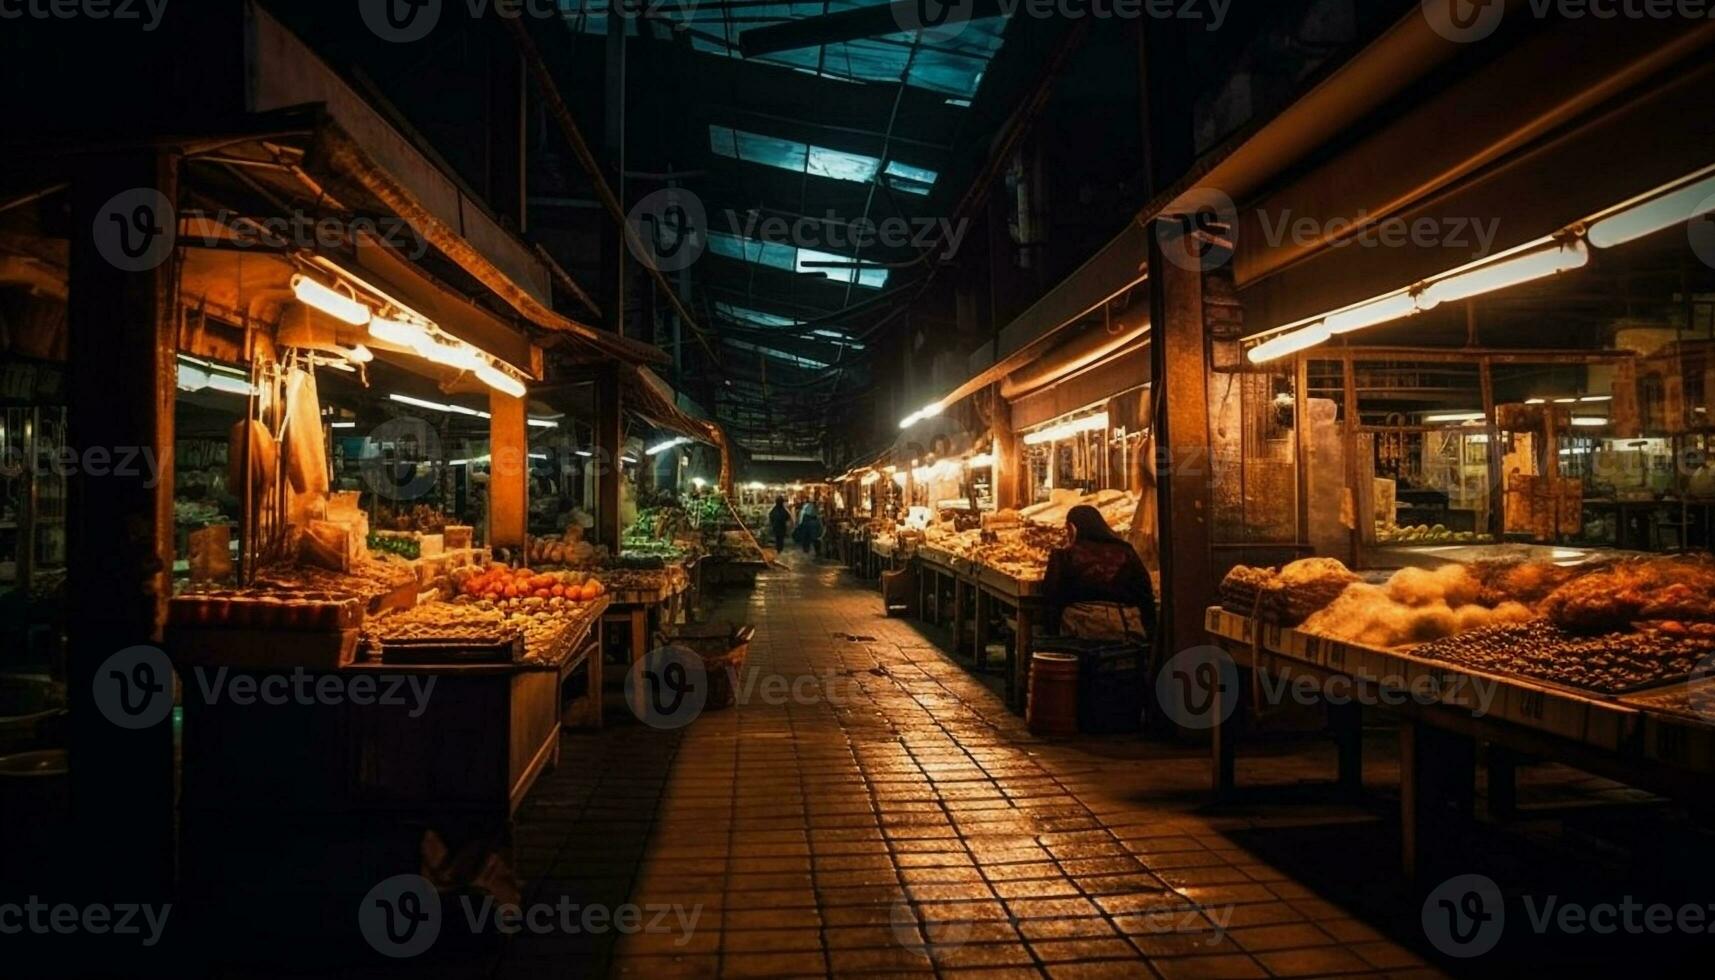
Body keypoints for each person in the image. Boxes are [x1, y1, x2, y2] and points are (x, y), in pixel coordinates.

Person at [1042, 505, 1156, 641]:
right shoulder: (1126, 551)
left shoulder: (1065, 556)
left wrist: (1050, 635)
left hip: (1078, 633)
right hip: (1124, 631)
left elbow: (1051, 595)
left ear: (1072, 528)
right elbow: (1144, 593)